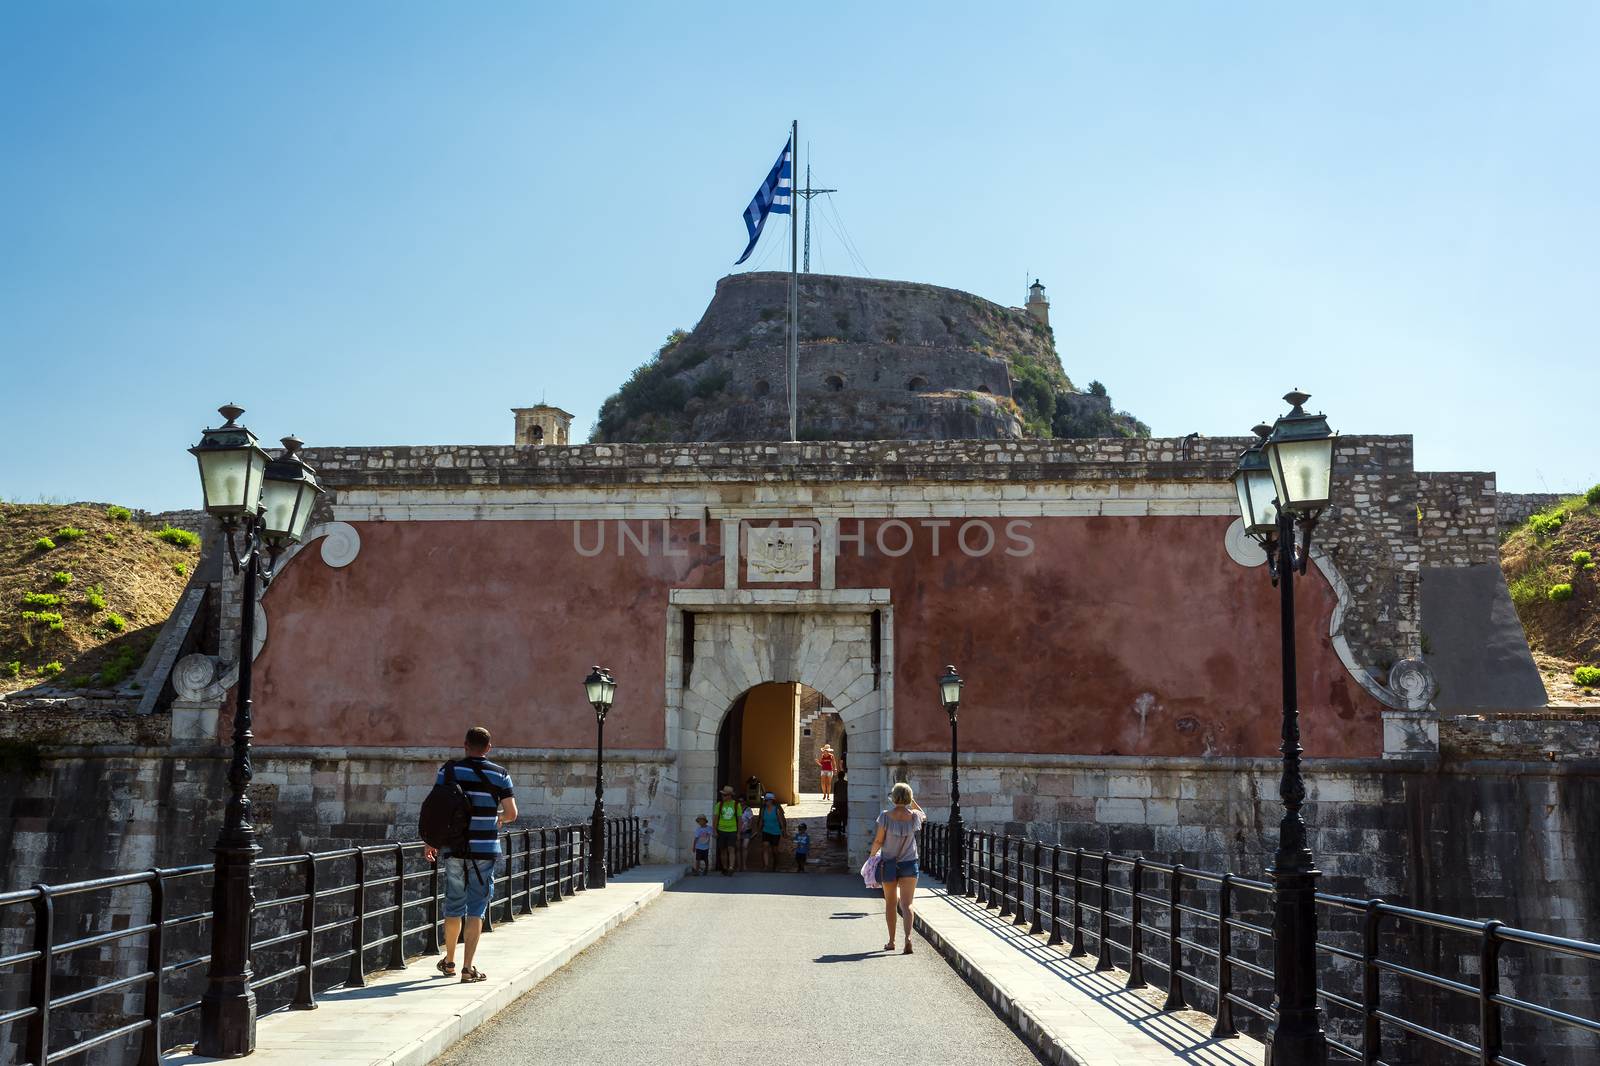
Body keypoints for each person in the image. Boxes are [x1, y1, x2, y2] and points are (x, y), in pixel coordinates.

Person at [423, 726, 517, 982]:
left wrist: (431, 841)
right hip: (485, 850)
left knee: (454, 904)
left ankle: (449, 961)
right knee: (476, 908)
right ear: (488, 747)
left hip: (454, 848)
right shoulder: (500, 774)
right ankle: (468, 968)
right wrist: (497, 817)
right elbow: (511, 814)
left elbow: (436, 809)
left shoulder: (449, 771)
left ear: (465, 745)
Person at [868, 781, 924, 955]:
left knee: (891, 904)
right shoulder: (914, 816)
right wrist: (912, 801)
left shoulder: (885, 816)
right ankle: (907, 938)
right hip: (909, 863)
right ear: (908, 797)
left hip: (889, 864)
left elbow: (878, 840)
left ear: (893, 797)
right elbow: (923, 814)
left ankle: (891, 941)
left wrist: (872, 856)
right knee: (907, 904)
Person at [713, 785, 744, 877]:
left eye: (725, 795)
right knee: (723, 850)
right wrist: (714, 830)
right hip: (721, 830)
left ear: (730, 796)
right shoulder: (719, 805)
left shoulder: (736, 805)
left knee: (731, 849)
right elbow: (715, 818)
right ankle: (725, 867)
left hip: (732, 830)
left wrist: (738, 833)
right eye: (723, 795)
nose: (723, 797)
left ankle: (731, 867)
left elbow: (739, 819)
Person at [758, 792, 787, 871]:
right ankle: (766, 866)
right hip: (766, 831)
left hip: (775, 832)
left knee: (775, 850)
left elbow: (781, 821)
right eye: (765, 800)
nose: (765, 802)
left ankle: (776, 863)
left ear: (771, 801)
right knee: (765, 846)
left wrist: (783, 830)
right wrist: (759, 830)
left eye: (767, 800)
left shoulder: (776, 810)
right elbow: (761, 820)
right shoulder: (763, 810)